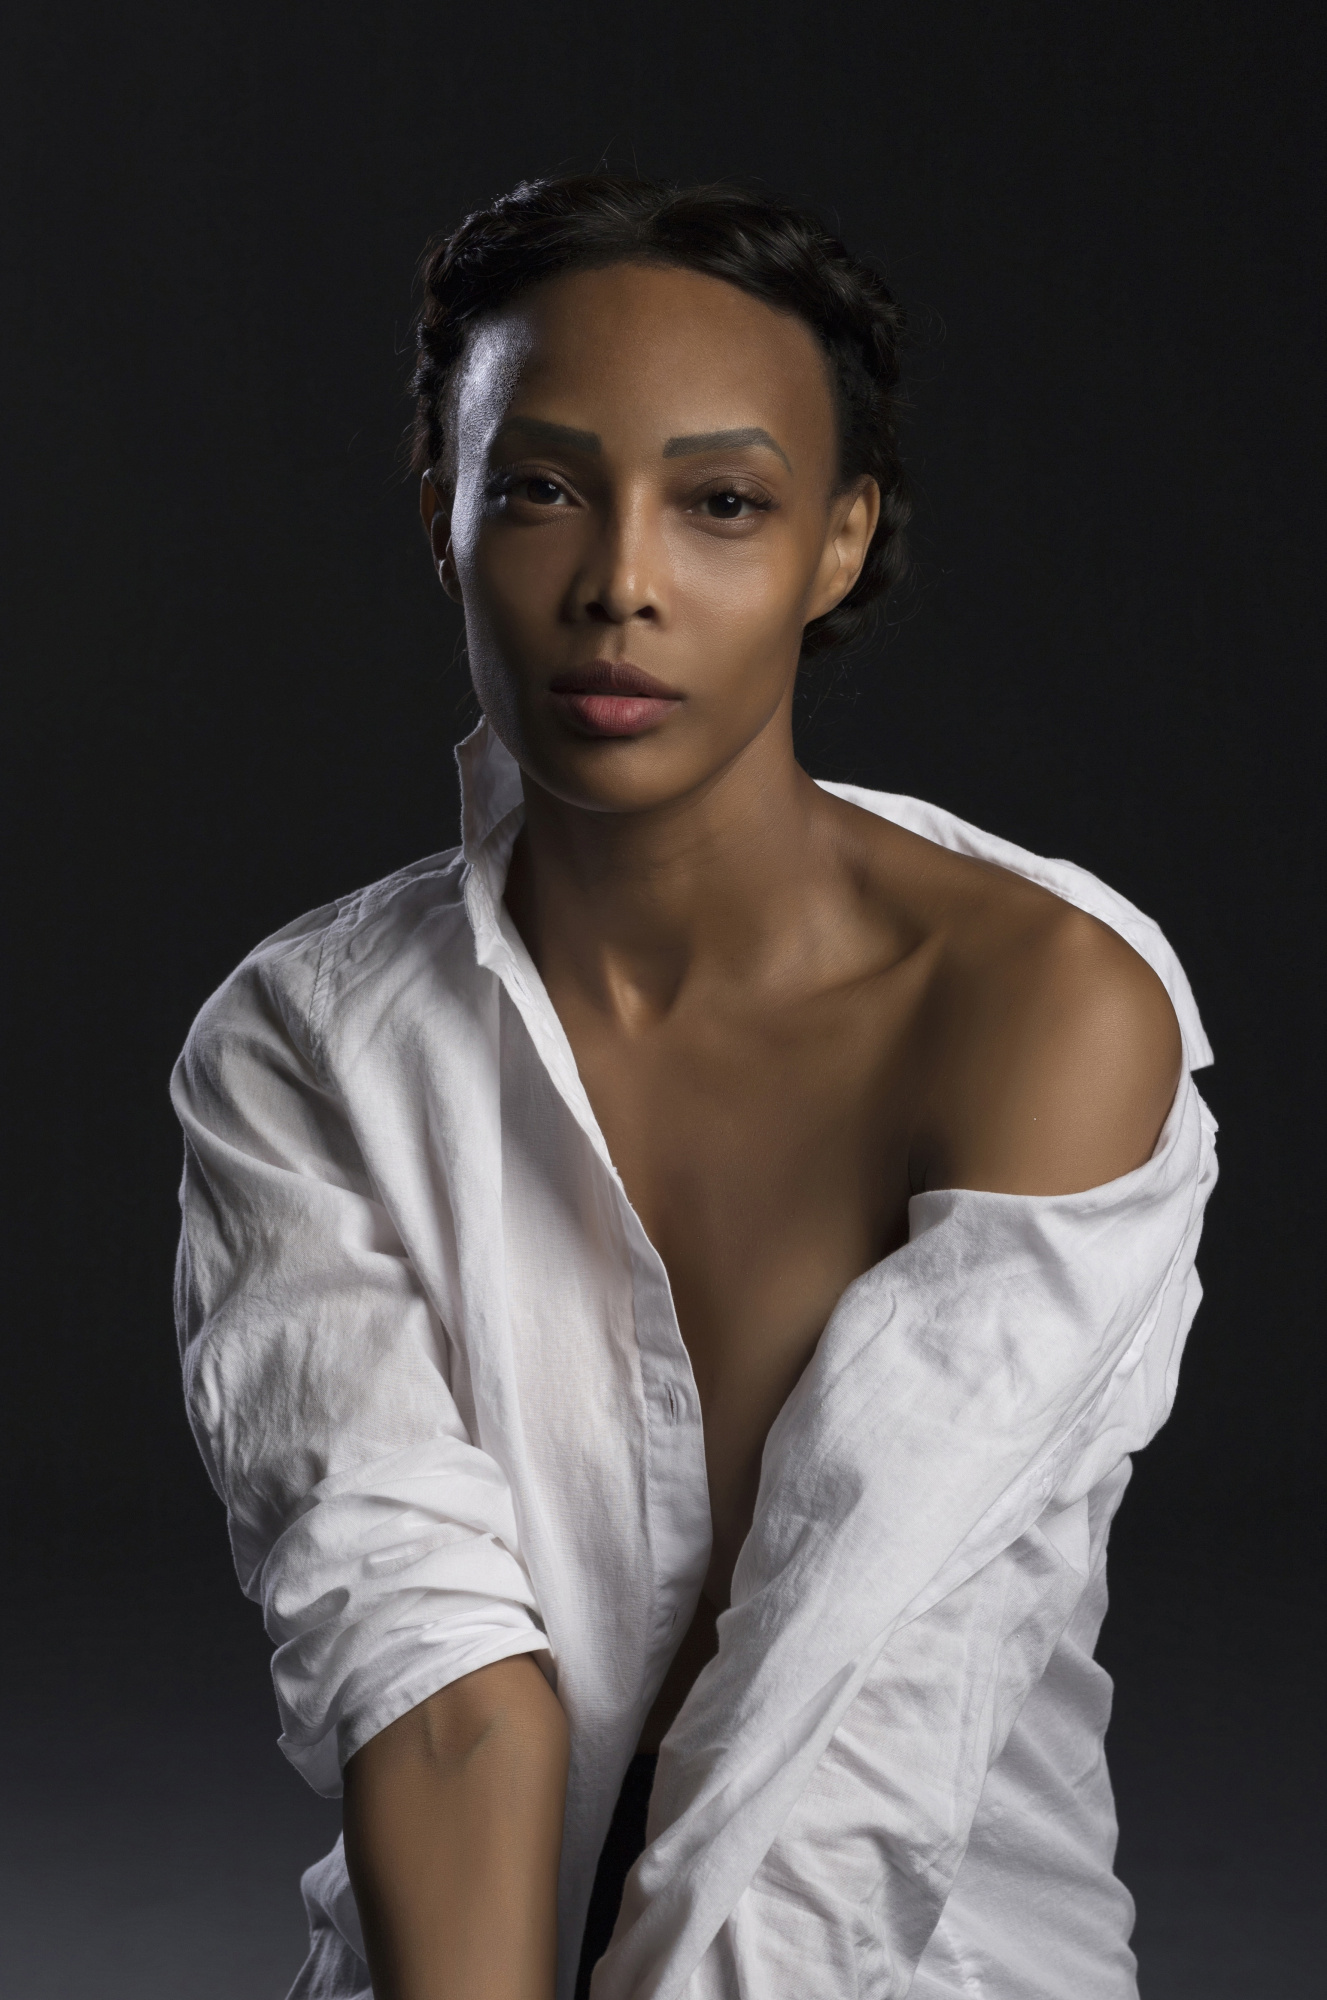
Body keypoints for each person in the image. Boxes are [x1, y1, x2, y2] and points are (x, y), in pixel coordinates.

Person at [171, 175, 1216, 2000]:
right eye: (541, 488)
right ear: (442, 517)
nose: (622, 585)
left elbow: (854, 1720)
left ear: (838, 542)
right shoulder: (304, 1042)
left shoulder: (1044, 1001)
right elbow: (431, 1685)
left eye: (723, 503)